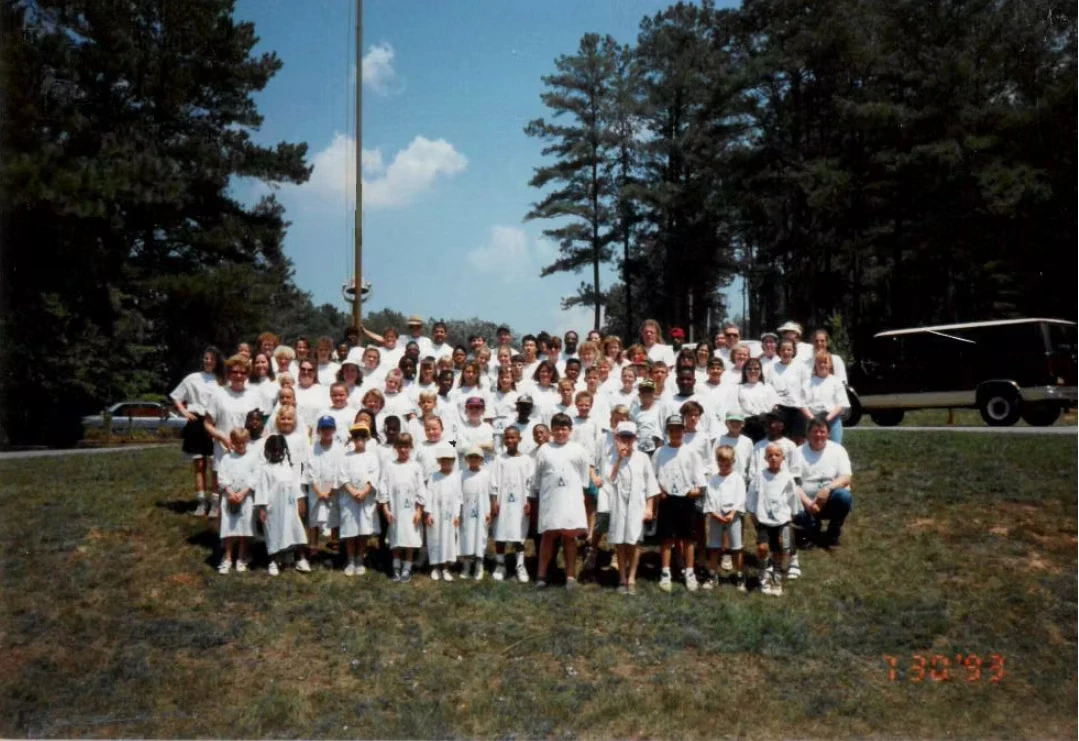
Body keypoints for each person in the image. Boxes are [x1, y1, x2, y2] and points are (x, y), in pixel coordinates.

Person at [530, 413, 592, 590]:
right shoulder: (544, 450)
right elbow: (538, 476)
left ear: (570, 430)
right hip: (550, 498)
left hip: (570, 498)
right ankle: (541, 575)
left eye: (564, 429)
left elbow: (583, 477)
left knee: (569, 537)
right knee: (548, 536)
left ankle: (570, 577)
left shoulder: (578, 450)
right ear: (551, 431)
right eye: (557, 429)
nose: (560, 432)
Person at [602, 421, 661, 595]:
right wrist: (619, 458)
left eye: (630, 437)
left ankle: (632, 577)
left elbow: (650, 484)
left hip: (637, 504)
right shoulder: (611, 457)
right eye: (623, 437)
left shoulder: (642, 458)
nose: (627, 441)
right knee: (620, 542)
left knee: (635, 541)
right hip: (618, 503)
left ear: (635, 438)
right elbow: (610, 480)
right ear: (617, 438)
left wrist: (649, 508)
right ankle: (621, 577)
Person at [652, 414, 708, 592]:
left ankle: (689, 572)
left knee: (688, 538)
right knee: (667, 538)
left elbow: (700, 479)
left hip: (686, 498)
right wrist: (659, 491)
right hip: (667, 498)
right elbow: (652, 477)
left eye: (678, 429)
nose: (675, 433)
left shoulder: (691, 452)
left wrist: (696, 490)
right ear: (667, 431)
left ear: (684, 431)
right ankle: (666, 572)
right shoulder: (660, 452)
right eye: (672, 430)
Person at [203, 355, 260, 516]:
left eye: (243, 373)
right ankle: (223, 532)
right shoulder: (218, 394)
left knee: (246, 488)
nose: (239, 376)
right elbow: (207, 423)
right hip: (225, 448)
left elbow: (257, 424)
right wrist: (221, 437)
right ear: (228, 374)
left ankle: (246, 532)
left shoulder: (253, 395)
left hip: (247, 449)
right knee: (224, 488)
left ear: (247, 375)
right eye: (235, 372)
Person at [171, 346, 225, 516]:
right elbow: (176, 396)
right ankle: (201, 502)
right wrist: (184, 411)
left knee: (215, 465)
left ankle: (215, 503)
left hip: (214, 423)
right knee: (199, 465)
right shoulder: (193, 378)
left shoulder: (221, 380)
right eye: (205, 358)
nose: (208, 361)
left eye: (211, 359)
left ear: (216, 362)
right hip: (196, 422)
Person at [791, 416, 853, 549]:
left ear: (828, 433)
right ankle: (809, 529)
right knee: (791, 496)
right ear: (808, 434)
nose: (819, 435)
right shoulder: (797, 452)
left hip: (828, 498)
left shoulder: (838, 450)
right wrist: (808, 503)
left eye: (822, 431)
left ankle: (833, 533)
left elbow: (846, 477)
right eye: (815, 431)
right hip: (805, 501)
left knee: (844, 496)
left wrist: (827, 489)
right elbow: (793, 482)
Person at [747, 442, 800, 596]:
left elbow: (792, 497)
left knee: (781, 547)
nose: (774, 458)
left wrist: (792, 514)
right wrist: (752, 513)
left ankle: (776, 578)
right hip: (763, 519)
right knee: (762, 548)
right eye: (770, 455)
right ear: (765, 458)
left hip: (782, 519)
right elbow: (752, 496)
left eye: (777, 455)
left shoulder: (787, 477)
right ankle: (763, 575)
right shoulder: (759, 476)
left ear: (783, 458)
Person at [255, 434, 308, 576]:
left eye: (280, 450)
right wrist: (262, 507)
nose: (277, 453)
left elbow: (295, 485)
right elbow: (262, 489)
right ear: (268, 451)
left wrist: (300, 500)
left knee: (292, 529)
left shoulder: (289, 466)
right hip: (272, 507)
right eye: (274, 450)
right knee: (273, 531)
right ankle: (272, 560)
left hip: (290, 506)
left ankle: (294, 558)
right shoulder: (265, 469)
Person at [377, 432, 426, 583]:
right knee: (396, 537)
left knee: (410, 538)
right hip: (395, 508)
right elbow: (383, 486)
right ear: (395, 447)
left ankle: (407, 568)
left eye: (406, 447)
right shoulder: (389, 466)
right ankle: (396, 567)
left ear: (410, 447)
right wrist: (385, 508)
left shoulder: (416, 466)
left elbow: (420, 489)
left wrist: (419, 510)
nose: (403, 450)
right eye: (400, 446)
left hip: (411, 509)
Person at [490, 426, 535, 582]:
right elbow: (494, 481)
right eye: (507, 438)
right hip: (503, 502)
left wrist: (528, 500)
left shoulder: (527, 460)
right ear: (503, 440)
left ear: (519, 439)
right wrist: (494, 501)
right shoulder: (499, 459)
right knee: (500, 532)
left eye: (513, 437)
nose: (510, 440)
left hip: (520, 502)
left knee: (518, 534)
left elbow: (530, 482)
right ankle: (500, 564)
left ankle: (520, 566)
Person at [338, 421, 381, 576]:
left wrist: (364, 492)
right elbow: (342, 477)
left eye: (362, 436)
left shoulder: (372, 457)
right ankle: (350, 560)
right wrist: (352, 491)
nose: (359, 439)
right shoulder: (346, 456)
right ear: (352, 439)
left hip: (365, 498)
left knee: (363, 530)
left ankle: (359, 560)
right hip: (350, 499)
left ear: (367, 438)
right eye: (356, 437)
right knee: (350, 531)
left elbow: (373, 476)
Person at [703, 445, 747, 591]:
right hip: (716, 516)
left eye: (727, 465)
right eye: (721, 465)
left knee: (736, 547)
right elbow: (710, 498)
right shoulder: (713, 480)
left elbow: (740, 497)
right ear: (717, 463)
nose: (724, 467)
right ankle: (712, 575)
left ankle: (740, 576)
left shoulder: (737, 478)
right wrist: (715, 514)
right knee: (714, 547)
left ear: (733, 462)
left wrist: (732, 513)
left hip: (732, 517)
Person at [303, 416, 344, 571]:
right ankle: (313, 551)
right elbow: (303, 468)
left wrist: (331, 490)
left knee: (334, 520)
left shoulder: (340, 449)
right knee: (313, 521)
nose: (326, 431)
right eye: (323, 428)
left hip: (333, 490)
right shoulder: (310, 448)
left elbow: (341, 471)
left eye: (329, 428)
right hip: (315, 489)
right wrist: (316, 490)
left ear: (333, 430)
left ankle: (334, 552)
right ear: (318, 430)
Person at [216, 427, 257, 574]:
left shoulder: (252, 458)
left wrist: (244, 493)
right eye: (237, 442)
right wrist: (229, 492)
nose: (240, 445)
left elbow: (255, 477)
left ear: (247, 442)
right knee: (229, 528)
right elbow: (222, 477)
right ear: (232, 442)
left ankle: (241, 556)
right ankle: (227, 557)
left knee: (243, 528)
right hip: (229, 497)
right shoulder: (227, 458)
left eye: (243, 442)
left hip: (245, 498)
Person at [424, 442, 462, 582]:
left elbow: (459, 497)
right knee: (435, 538)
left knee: (448, 539)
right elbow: (429, 495)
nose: (446, 463)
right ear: (439, 461)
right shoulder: (433, 476)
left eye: (449, 460)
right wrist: (428, 513)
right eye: (443, 460)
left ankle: (445, 567)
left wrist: (457, 515)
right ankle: (435, 566)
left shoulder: (456, 477)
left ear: (453, 461)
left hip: (450, 514)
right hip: (436, 512)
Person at [768, 339, 812, 444]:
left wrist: (804, 405)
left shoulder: (801, 367)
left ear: (793, 351)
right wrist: (773, 405)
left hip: (798, 408)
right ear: (778, 351)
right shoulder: (772, 368)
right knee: (779, 440)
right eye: (783, 349)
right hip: (779, 408)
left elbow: (807, 387)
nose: (786, 352)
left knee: (798, 440)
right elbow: (768, 389)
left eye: (789, 349)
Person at [458, 446, 492, 580]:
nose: (473, 460)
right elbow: (457, 494)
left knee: (480, 536)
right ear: (466, 459)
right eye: (470, 457)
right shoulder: (461, 474)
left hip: (482, 509)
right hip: (466, 510)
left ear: (481, 459)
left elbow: (492, 492)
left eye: (476, 457)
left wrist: (489, 511)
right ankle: (466, 565)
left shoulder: (486, 474)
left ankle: (479, 565)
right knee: (466, 536)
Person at [804, 352, 850, 444]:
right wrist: (813, 419)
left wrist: (827, 419)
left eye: (825, 362)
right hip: (813, 420)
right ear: (815, 364)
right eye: (819, 362)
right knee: (814, 449)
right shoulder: (807, 382)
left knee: (835, 449)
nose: (822, 365)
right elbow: (802, 404)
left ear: (830, 364)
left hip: (833, 420)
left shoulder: (836, 381)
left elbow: (841, 404)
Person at [737, 357, 780, 442]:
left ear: (760, 371)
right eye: (749, 369)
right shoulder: (738, 388)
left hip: (767, 424)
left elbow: (775, 406)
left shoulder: (767, 386)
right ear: (744, 371)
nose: (753, 371)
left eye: (756, 368)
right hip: (748, 425)